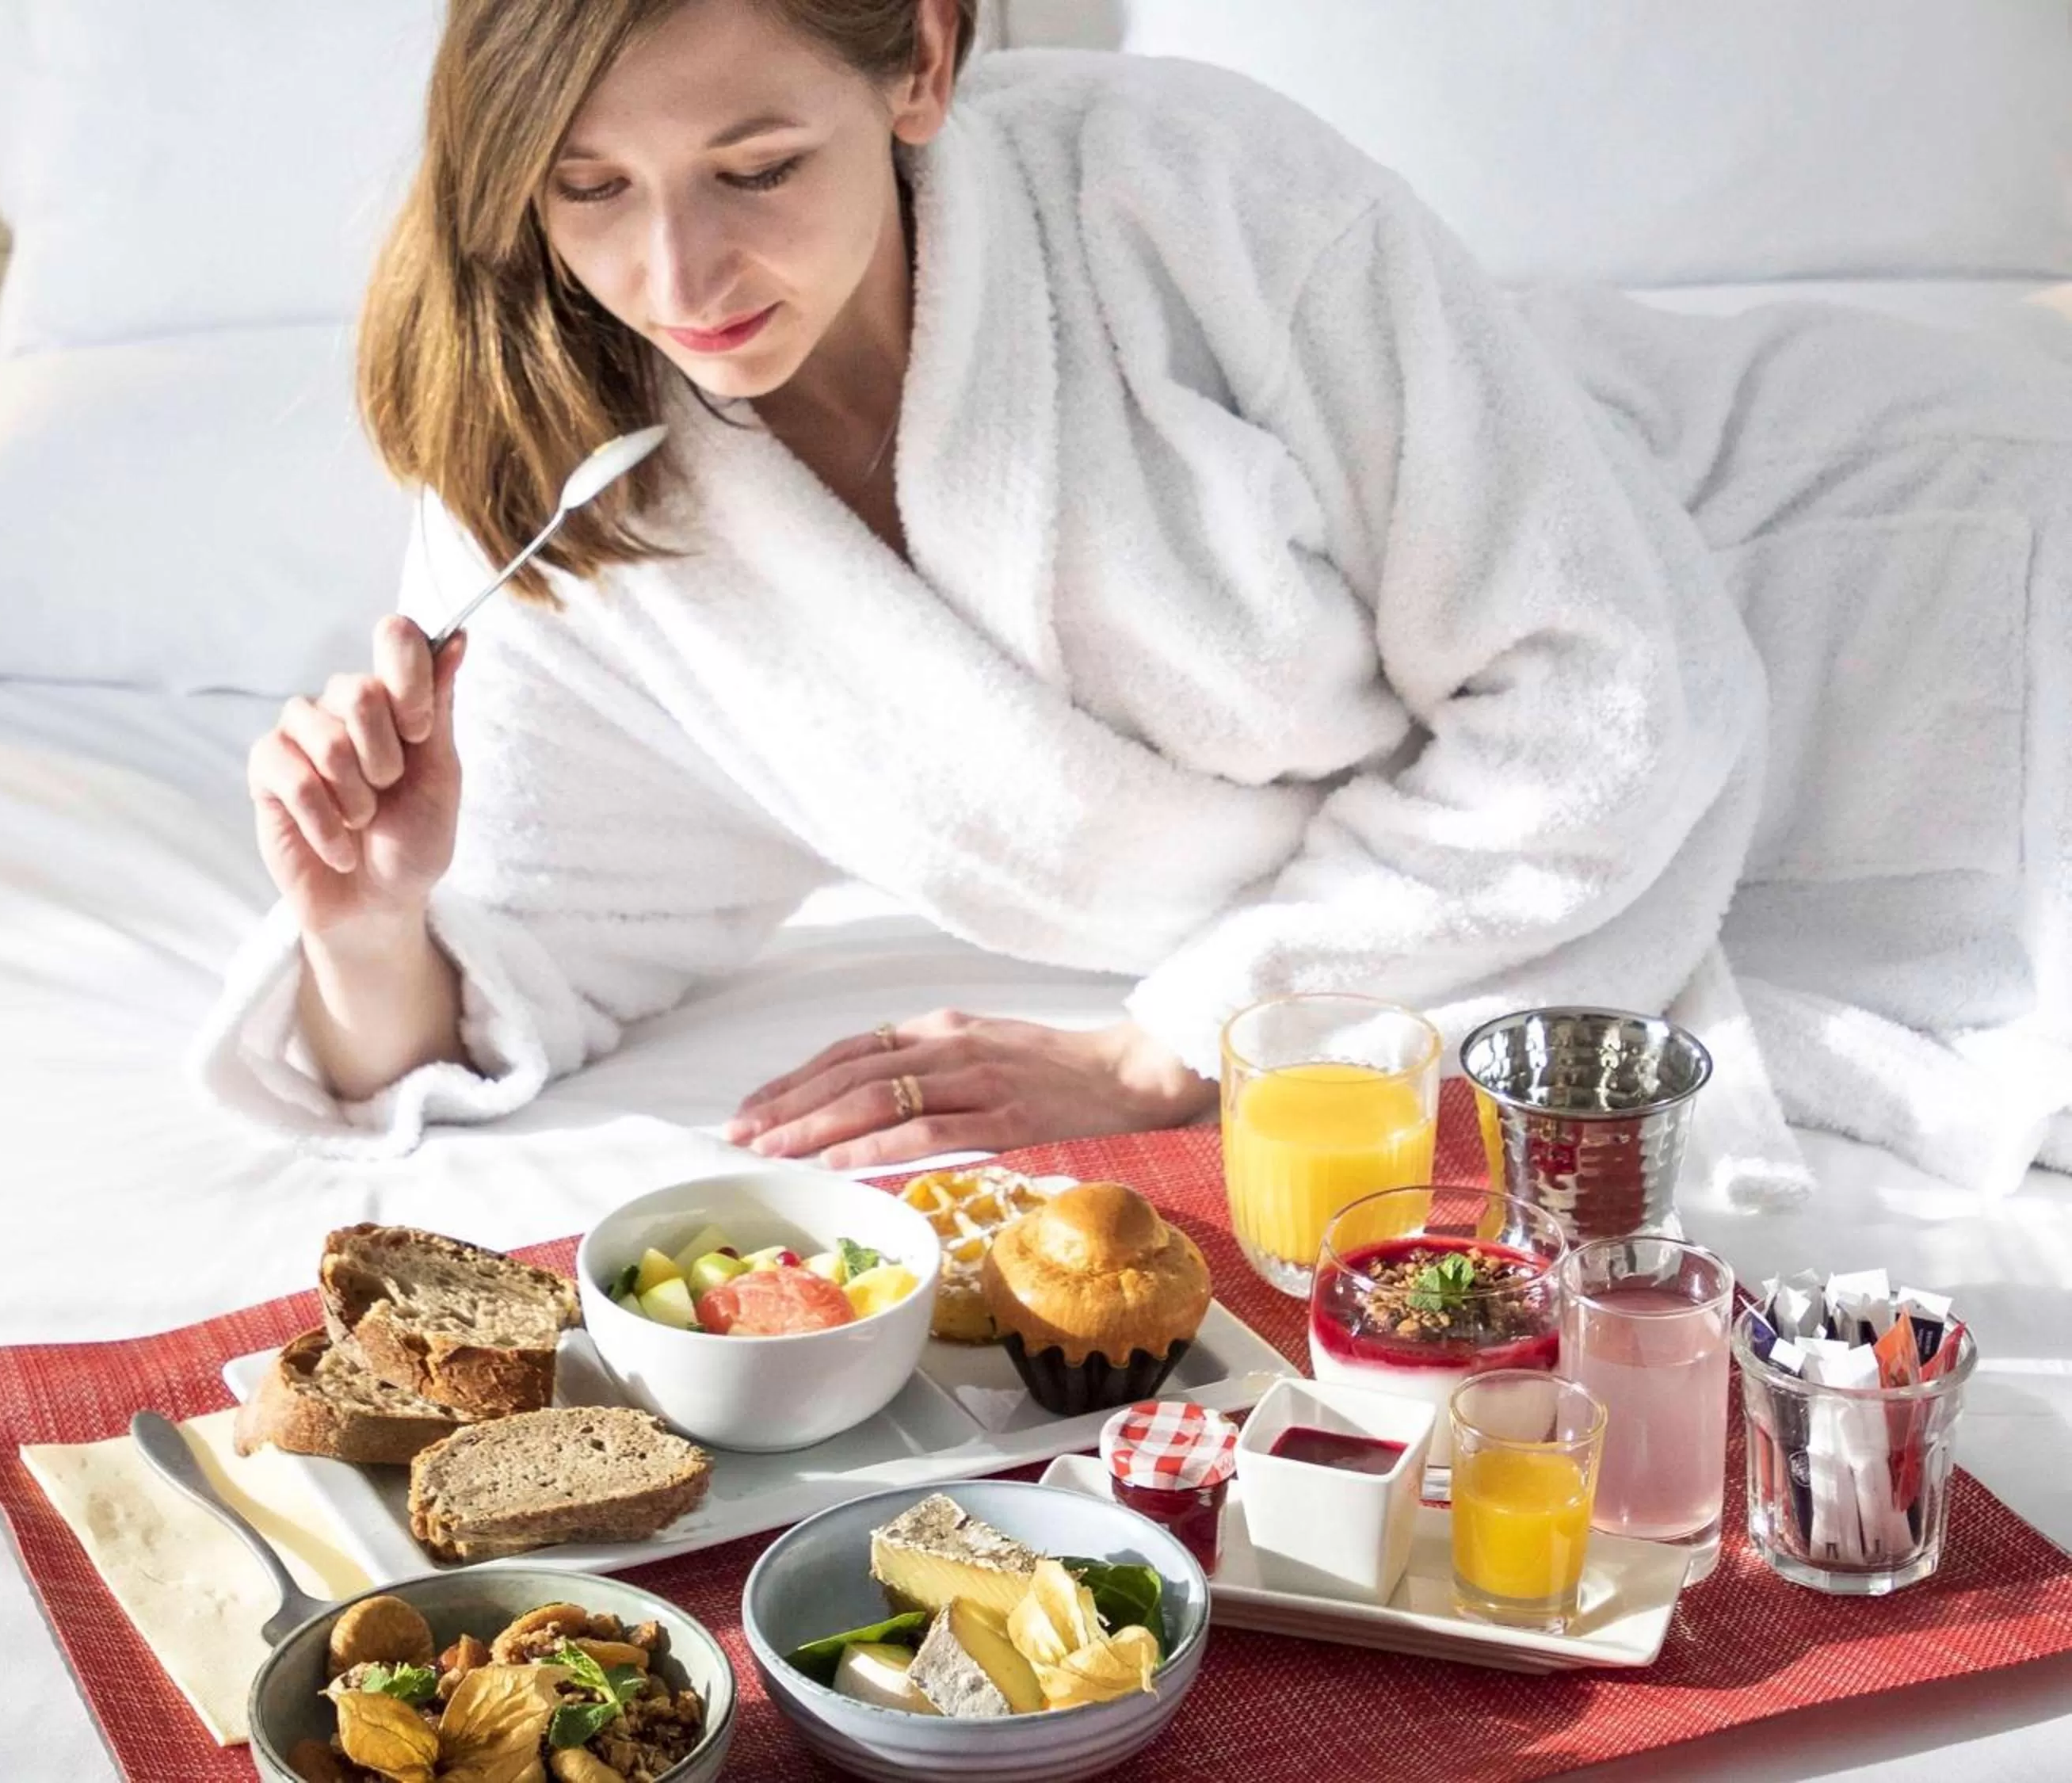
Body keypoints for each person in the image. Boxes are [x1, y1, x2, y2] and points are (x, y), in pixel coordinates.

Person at [199, 0, 2071, 1187]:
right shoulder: (563, 471)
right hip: (1556, 830)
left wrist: (1170, 1042)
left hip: (1882, 572)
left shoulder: (1192, 197)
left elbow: (1606, 693)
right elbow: (543, 953)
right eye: (586, 188)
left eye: (754, 165)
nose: (675, 267)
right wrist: (371, 922)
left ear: (923, 58)